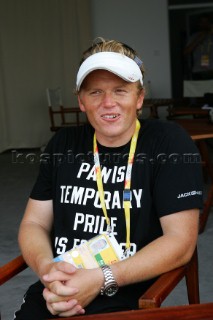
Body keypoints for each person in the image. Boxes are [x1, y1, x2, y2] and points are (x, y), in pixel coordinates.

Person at [15, 38, 203, 319]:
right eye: (95, 93)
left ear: (139, 98)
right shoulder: (64, 144)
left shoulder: (167, 143)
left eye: (120, 90)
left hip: (126, 295)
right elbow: (34, 222)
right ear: (81, 101)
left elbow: (180, 242)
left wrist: (100, 278)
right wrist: (47, 270)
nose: (108, 103)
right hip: (58, 287)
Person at [184, 14, 213, 80]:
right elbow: (186, 52)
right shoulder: (194, 37)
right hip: (199, 71)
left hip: (212, 69)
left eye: (206, 22)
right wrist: (200, 38)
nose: (204, 24)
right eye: (202, 22)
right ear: (199, 24)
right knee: (200, 90)